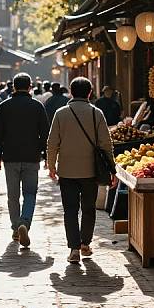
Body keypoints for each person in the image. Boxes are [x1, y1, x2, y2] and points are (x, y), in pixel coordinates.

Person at [47, 76, 114, 263]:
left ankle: (74, 249)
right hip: (90, 171)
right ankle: (85, 243)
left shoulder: (61, 113)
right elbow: (106, 144)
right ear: (90, 92)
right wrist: (112, 169)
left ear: (71, 91)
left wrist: (51, 165)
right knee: (88, 208)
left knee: (70, 210)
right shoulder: (97, 113)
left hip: (67, 171)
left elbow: (52, 143)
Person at [0, 73, 50, 248]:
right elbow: (45, 134)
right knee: (30, 193)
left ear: (14, 87)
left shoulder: (4, 106)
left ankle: (16, 228)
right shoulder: (37, 106)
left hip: (10, 157)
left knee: (13, 195)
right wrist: (45, 155)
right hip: (32, 157)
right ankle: (24, 221)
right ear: (30, 86)